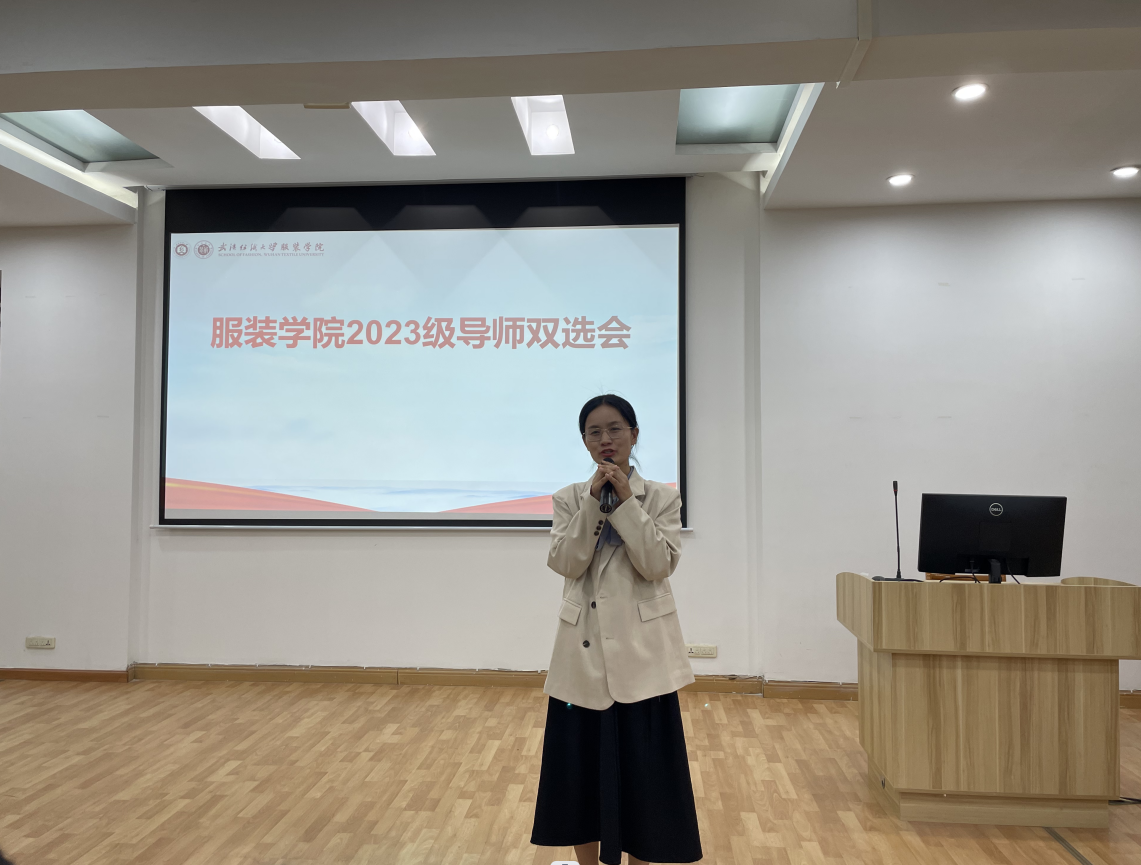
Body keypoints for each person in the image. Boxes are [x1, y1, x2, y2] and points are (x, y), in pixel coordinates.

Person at [530, 394, 702, 865]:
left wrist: (626, 502)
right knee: (579, 781)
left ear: (634, 434)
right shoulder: (569, 498)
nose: (605, 439)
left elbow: (657, 565)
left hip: (644, 657)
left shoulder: (661, 498)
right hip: (581, 657)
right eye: (594, 432)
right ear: (584, 441)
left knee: (646, 782)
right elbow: (566, 562)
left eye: (615, 429)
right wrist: (593, 504)